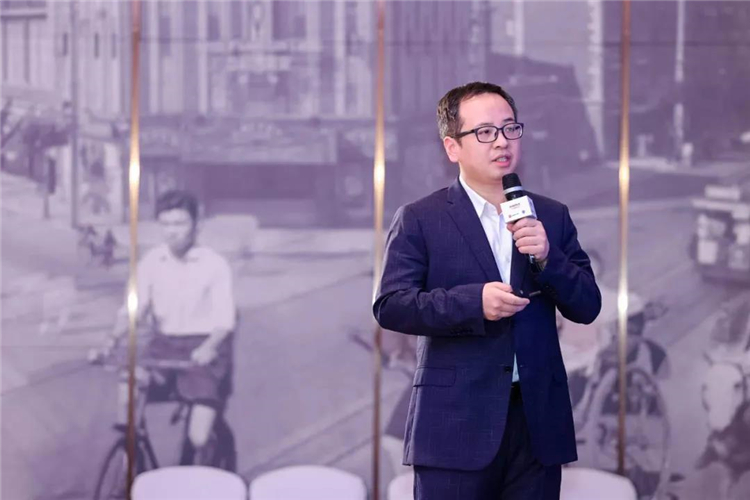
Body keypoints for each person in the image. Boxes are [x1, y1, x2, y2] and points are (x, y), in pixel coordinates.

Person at [373, 82, 601, 500]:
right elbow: (391, 305)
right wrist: (473, 303)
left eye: (510, 128)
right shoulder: (420, 218)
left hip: (537, 427)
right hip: (454, 425)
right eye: (485, 132)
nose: (501, 141)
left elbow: (587, 305)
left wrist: (548, 258)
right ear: (452, 147)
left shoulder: (551, 216)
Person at [107, 189, 236, 465]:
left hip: (203, 348)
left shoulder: (215, 265)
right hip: (163, 346)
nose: (172, 231)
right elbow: (133, 309)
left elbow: (224, 321)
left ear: (196, 225)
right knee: (129, 383)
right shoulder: (152, 262)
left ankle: (210, 466)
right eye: (165, 224)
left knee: (198, 437)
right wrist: (113, 337)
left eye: (179, 223)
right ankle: (132, 454)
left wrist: (209, 347)